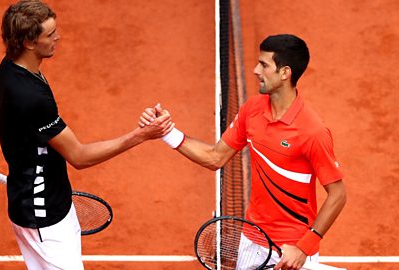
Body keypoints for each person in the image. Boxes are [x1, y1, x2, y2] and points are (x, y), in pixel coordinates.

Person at [140, 34, 347, 270]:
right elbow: (215, 157)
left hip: (292, 248)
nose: (255, 70)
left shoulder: (312, 131)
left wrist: (304, 246)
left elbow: (338, 194)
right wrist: (166, 132)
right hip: (251, 237)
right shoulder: (252, 110)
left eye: (264, 64)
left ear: (284, 73)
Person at [0, 0, 173, 269]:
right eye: (50, 34)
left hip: (35, 202)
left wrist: (23, 162)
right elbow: (79, 156)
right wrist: (140, 135)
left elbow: (1, 124)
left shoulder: (9, 68)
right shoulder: (32, 98)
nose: (58, 37)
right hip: (45, 217)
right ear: (29, 43)